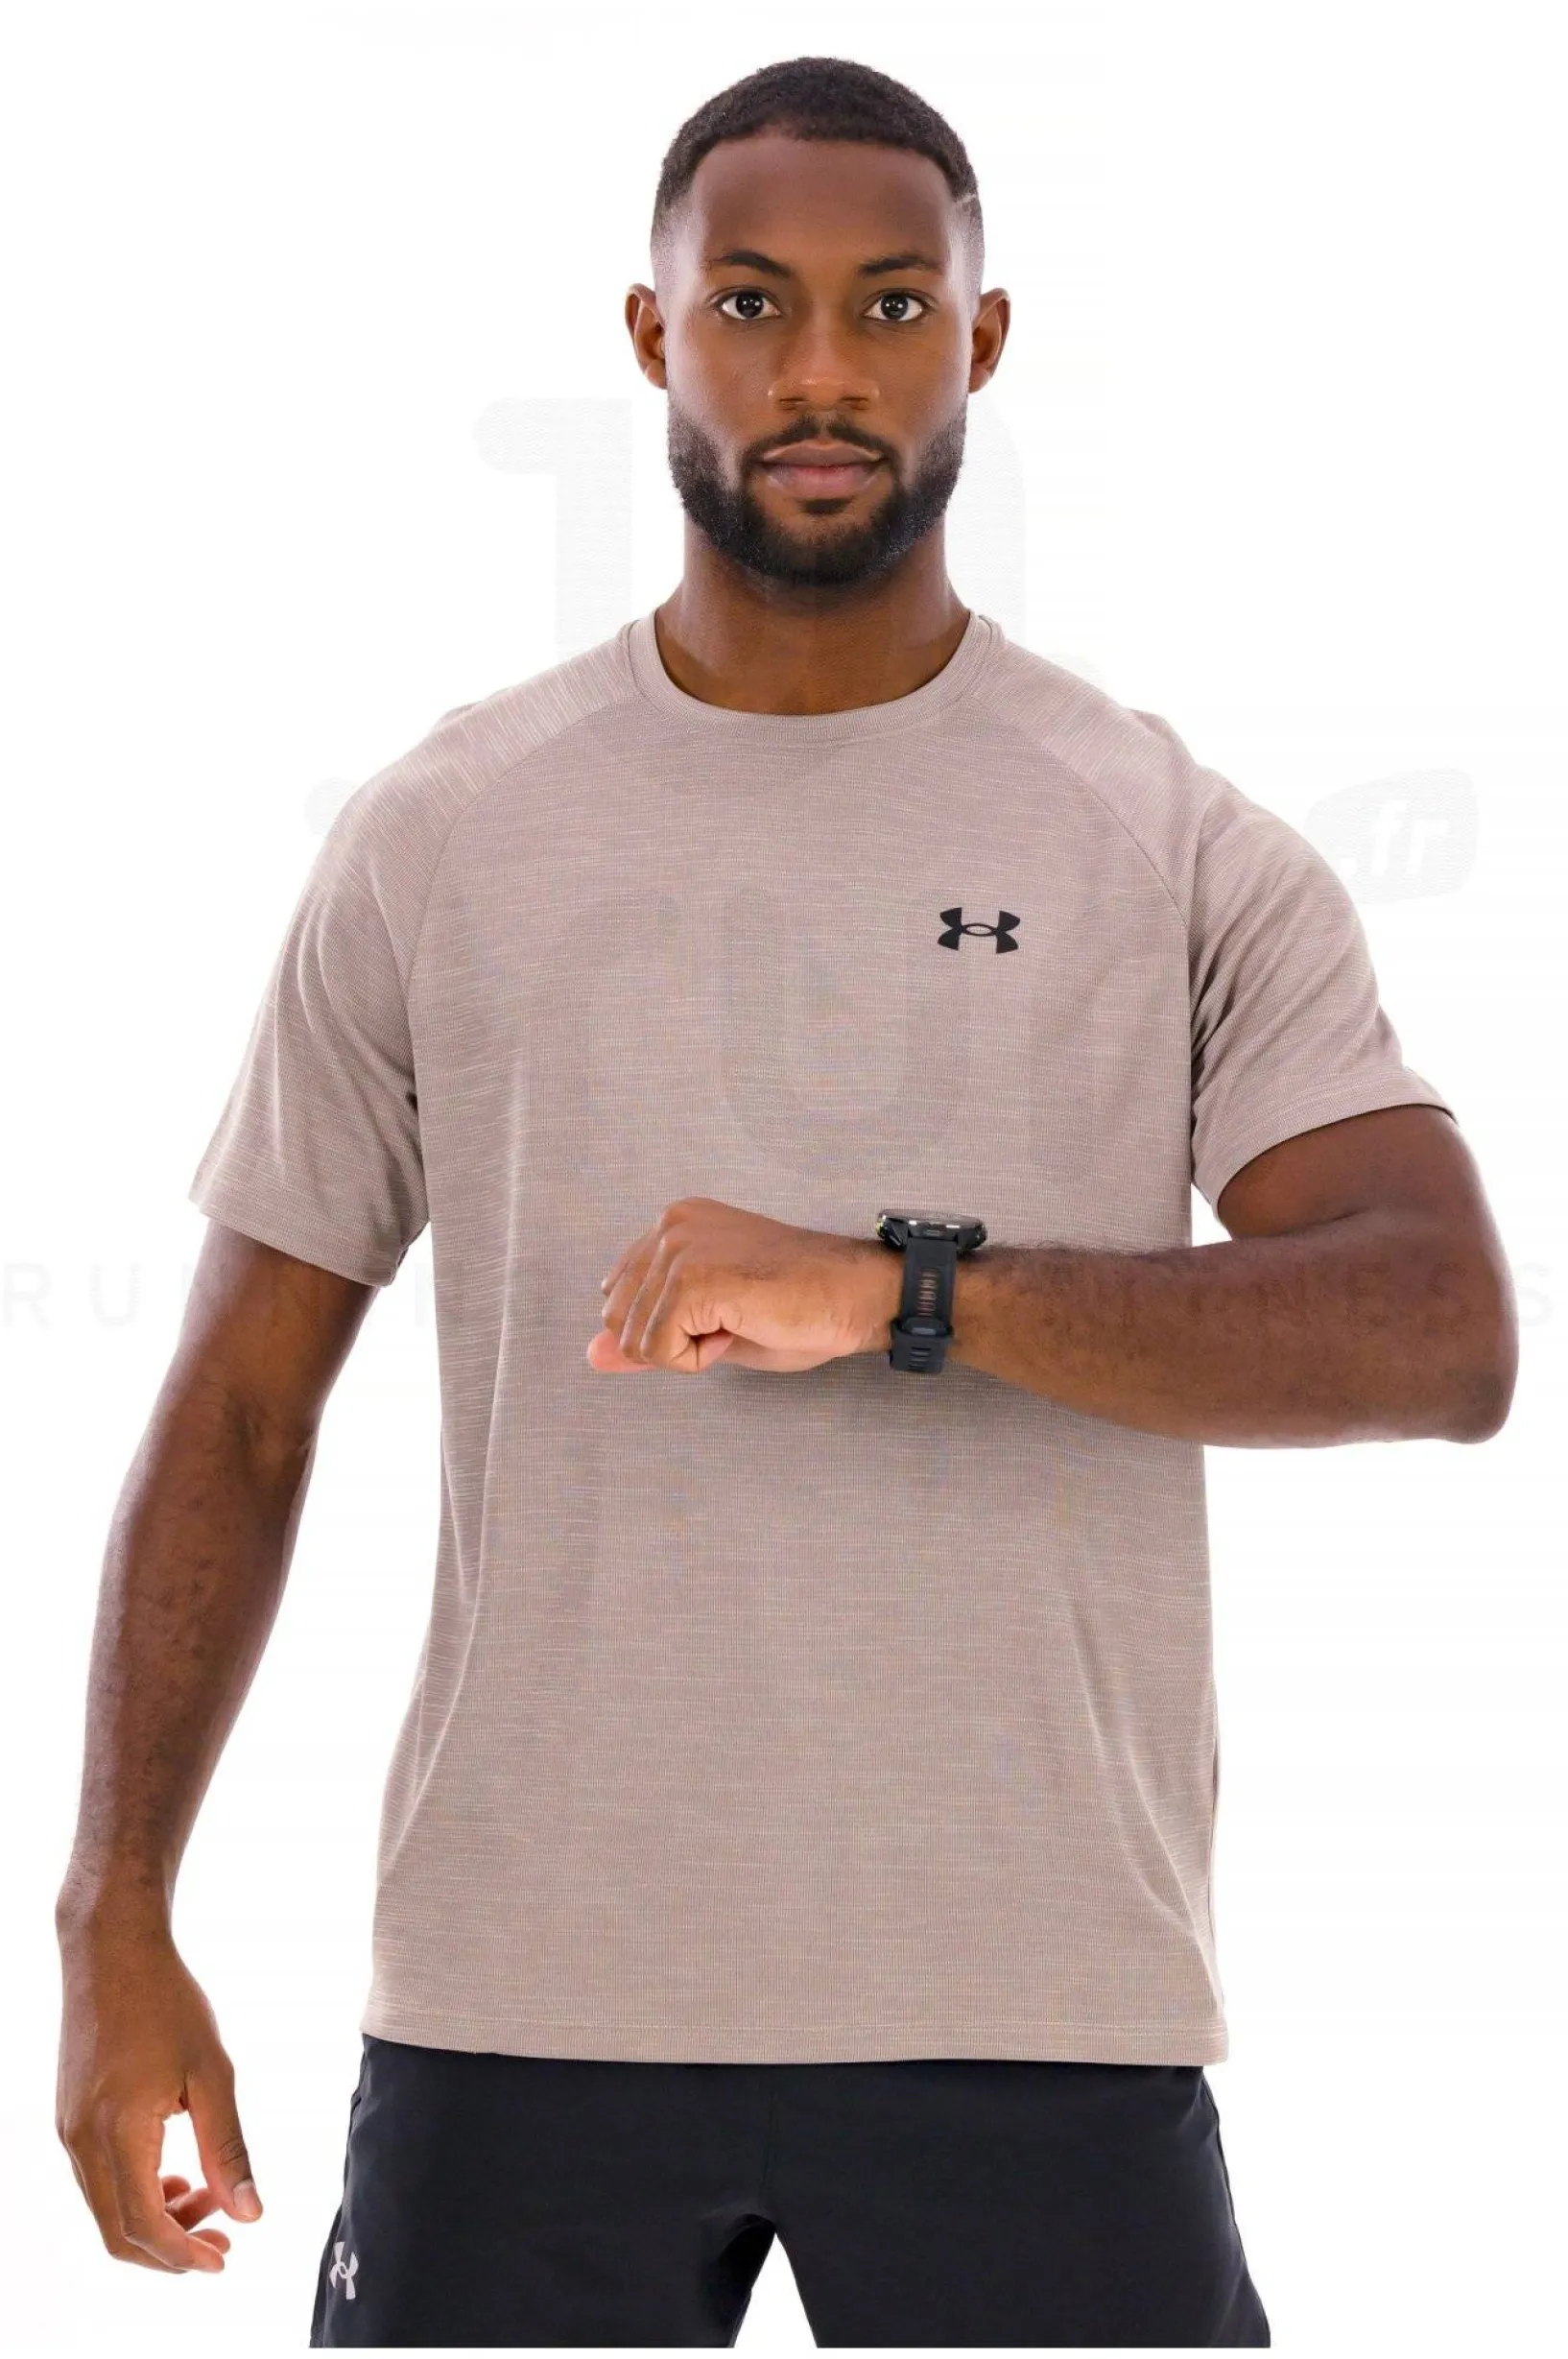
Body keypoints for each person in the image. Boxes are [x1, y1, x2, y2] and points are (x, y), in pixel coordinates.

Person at [54, 53, 1516, 2350]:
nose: (820, 369)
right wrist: (112, 1915)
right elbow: (240, 1401)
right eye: (750, 302)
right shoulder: (447, 834)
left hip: (1032, 1994)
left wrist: (908, 1291)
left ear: (981, 340)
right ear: (653, 334)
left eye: (888, 306)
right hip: (524, 1995)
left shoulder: (1155, 835)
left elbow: (1438, 1328)